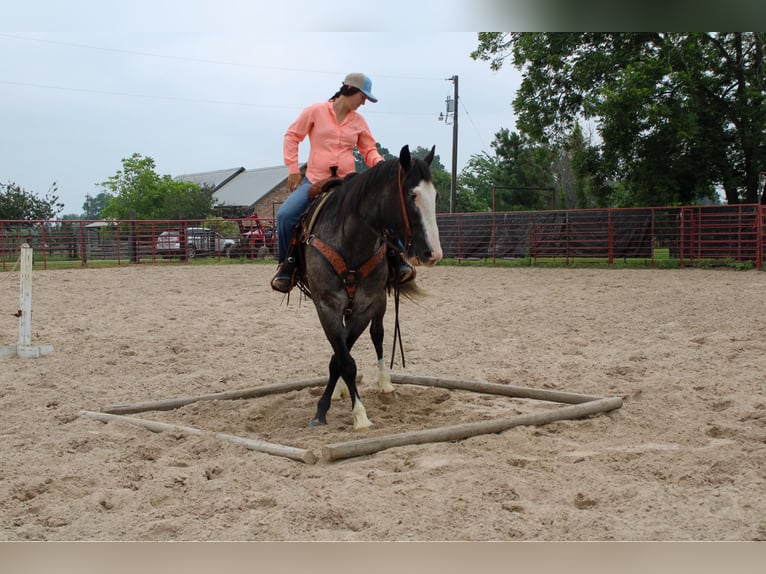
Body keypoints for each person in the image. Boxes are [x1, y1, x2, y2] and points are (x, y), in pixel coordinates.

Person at [271, 72, 411, 293]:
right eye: (363, 97)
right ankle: (286, 266)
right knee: (285, 215)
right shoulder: (315, 112)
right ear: (350, 91)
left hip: (349, 183)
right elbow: (292, 136)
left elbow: (369, 150)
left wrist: (382, 167)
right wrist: (293, 169)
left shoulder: (359, 122)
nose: (364, 102)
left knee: (383, 210)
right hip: (315, 180)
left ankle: (399, 260)